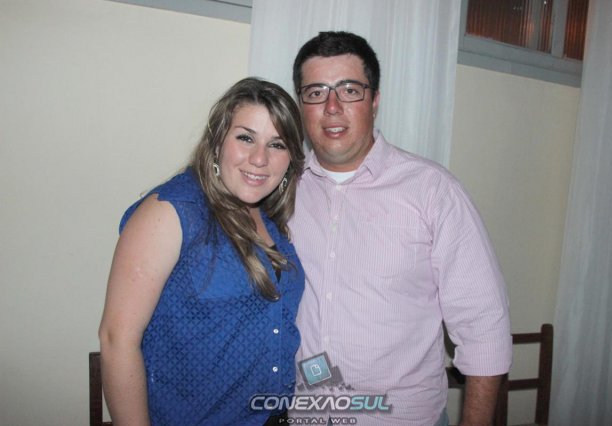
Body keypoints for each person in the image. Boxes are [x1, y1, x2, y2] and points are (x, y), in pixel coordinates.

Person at [289, 31, 512, 426]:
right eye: (316, 92)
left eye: (350, 90)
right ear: (301, 105)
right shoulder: (282, 190)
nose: (332, 107)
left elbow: (484, 327)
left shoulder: (433, 192)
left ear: (375, 100)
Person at [98, 77, 306, 426]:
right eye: (245, 138)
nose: (260, 158)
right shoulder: (171, 211)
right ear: (217, 140)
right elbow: (117, 340)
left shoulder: (271, 219)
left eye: (277, 144)